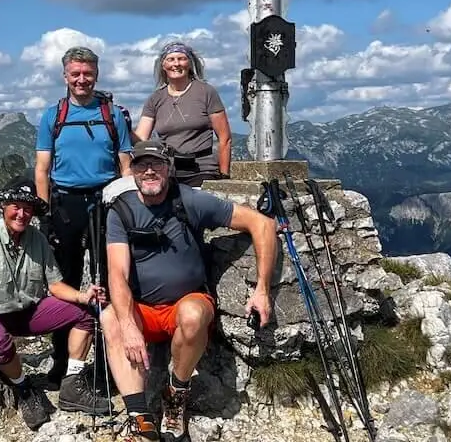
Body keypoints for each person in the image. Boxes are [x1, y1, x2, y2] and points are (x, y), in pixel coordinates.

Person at [102, 139, 278, 441]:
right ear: (132, 172)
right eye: (142, 165)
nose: (149, 171)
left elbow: (262, 224)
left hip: (188, 300)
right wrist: (129, 325)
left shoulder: (190, 201)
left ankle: (176, 395)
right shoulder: (120, 212)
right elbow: (116, 273)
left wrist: (262, 289)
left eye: (156, 164)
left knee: (194, 314)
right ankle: (140, 418)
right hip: (143, 306)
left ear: (169, 169)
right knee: (110, 319)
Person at [0, 179, 114, 429]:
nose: (21, 214)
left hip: (28, 312)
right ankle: (24, 389)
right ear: (3, 206)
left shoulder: (38, 239)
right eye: (15, 206)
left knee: (84, 314)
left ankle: (72, 384)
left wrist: (83, 296)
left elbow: (54, 285)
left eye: (28, 208)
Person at [34, 45, 134, 387]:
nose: (81, 79)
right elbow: (42, 168)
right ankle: (62, 363)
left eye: (87, 73)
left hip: (107, 201)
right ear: (65, 76)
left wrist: (128, 202)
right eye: (75, 73)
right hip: (65, 205)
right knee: (65, 284)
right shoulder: (53, 116)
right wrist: (44, 211)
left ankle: (110, 364)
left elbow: (125, 163)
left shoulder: (112, 114)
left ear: (96, 75)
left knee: (111, 281)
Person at [133, 41, 233, 186]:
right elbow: (141, 138)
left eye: (181, 58)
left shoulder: (206, 92)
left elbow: (225, 138)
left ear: (190, 63)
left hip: (201, 170)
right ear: (163, 65)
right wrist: (121, 123)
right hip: (168, 171)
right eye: (171, 59)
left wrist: (224, 177)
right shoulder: (155, 99)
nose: (176, 64)